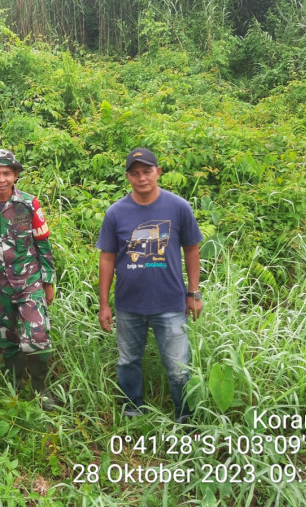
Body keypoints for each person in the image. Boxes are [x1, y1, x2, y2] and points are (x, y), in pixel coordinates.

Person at [96, 148, 203, 421]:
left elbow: (192, 249)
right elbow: (107, 259)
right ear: (127, 177)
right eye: (135, 173)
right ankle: (133, 412)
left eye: (147, 171)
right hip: (129, 304)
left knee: (179, 368)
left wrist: (194, 292)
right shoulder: (116, 212)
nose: (141, 178)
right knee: (128, 362)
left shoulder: (178, 207)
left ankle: (185, 418)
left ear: (158, 172)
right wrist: (104, 304)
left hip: (170, 302)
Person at [0, 149, 57, 408]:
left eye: (7, 173)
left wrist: (48, 281)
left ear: (15, 175)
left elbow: (43, 243)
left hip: (29, 282)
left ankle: (41, 386)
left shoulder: (29, 204)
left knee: (38, 337)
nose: (1, 179)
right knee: (7, 341)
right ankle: (14, 388)